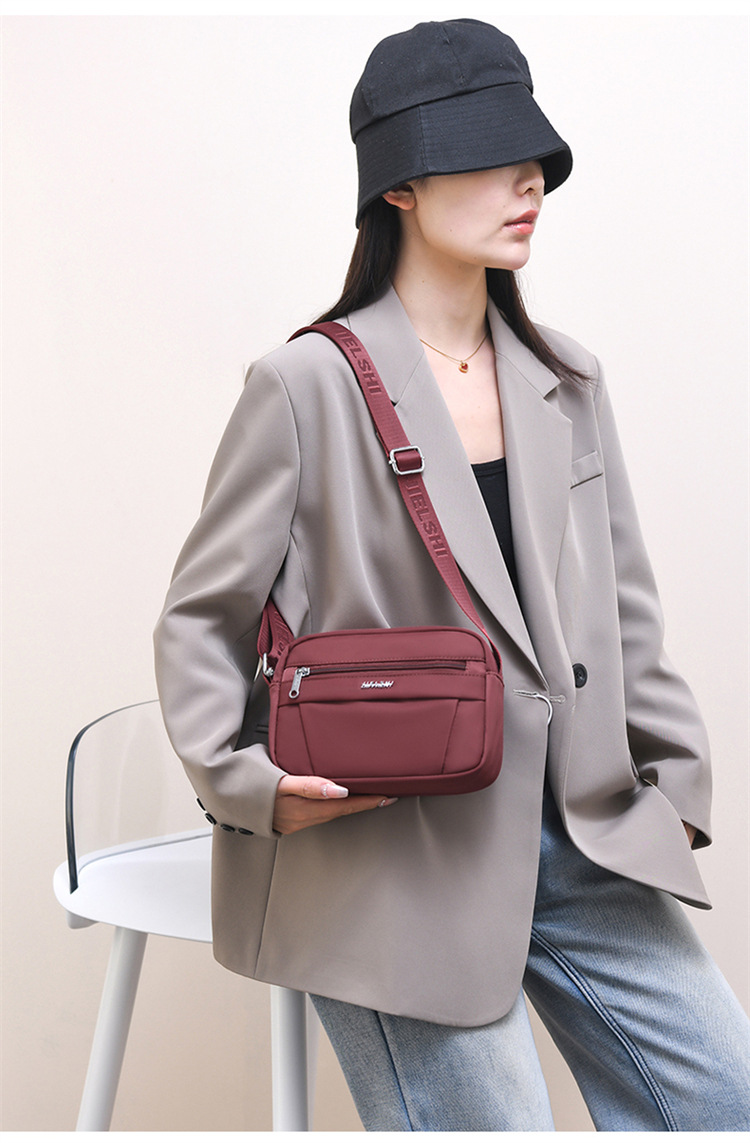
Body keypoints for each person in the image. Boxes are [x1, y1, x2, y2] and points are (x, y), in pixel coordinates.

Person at [153, 18, 750, 1132]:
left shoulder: (566, 378)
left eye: (536, 158)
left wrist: (675, 785)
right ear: (400, 187)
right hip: (395, 850)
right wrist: (250, 784)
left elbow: (623, 604)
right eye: (488, 154)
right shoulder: (303, 385)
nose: (530, 183)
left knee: (726, 1098)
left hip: (582, 827)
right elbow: (201, 617)